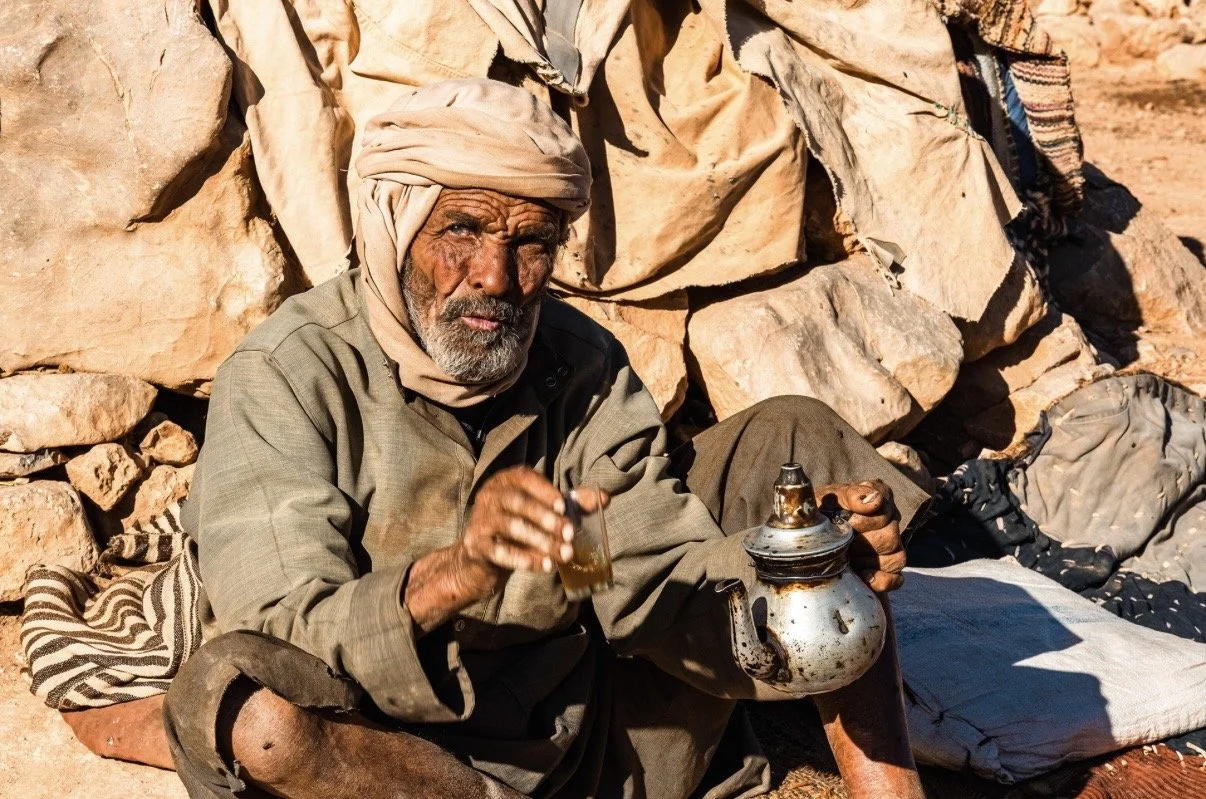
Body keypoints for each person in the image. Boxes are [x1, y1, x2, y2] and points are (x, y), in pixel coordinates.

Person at [70, 78, 930, 799]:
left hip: (599, 733)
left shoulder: (577, 359)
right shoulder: (289, 375)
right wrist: (456, 574)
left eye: (531, 243)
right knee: (251, 708)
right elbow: (285, 629)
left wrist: (792, 564)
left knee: (796, 438)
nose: (497, 277)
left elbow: (637, 575)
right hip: (407, 763)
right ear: (395, 224)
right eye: (463, 231)